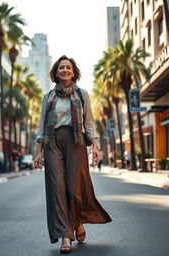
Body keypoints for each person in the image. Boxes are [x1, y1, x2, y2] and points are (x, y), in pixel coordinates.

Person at [34, 55, 112, 254]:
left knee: (74, 189)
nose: (65, 70)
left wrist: (95, 145)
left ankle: (77, 222)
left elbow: (89, 123)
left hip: (76, 141)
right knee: (57, 188)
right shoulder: (48, 97)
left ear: (73, 72)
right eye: (61, 67)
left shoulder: (81, 95)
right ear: (56, 72)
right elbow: (42, 125)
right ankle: (65, 236)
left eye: (68, 67)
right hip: (52, 143)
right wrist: (38, 151)